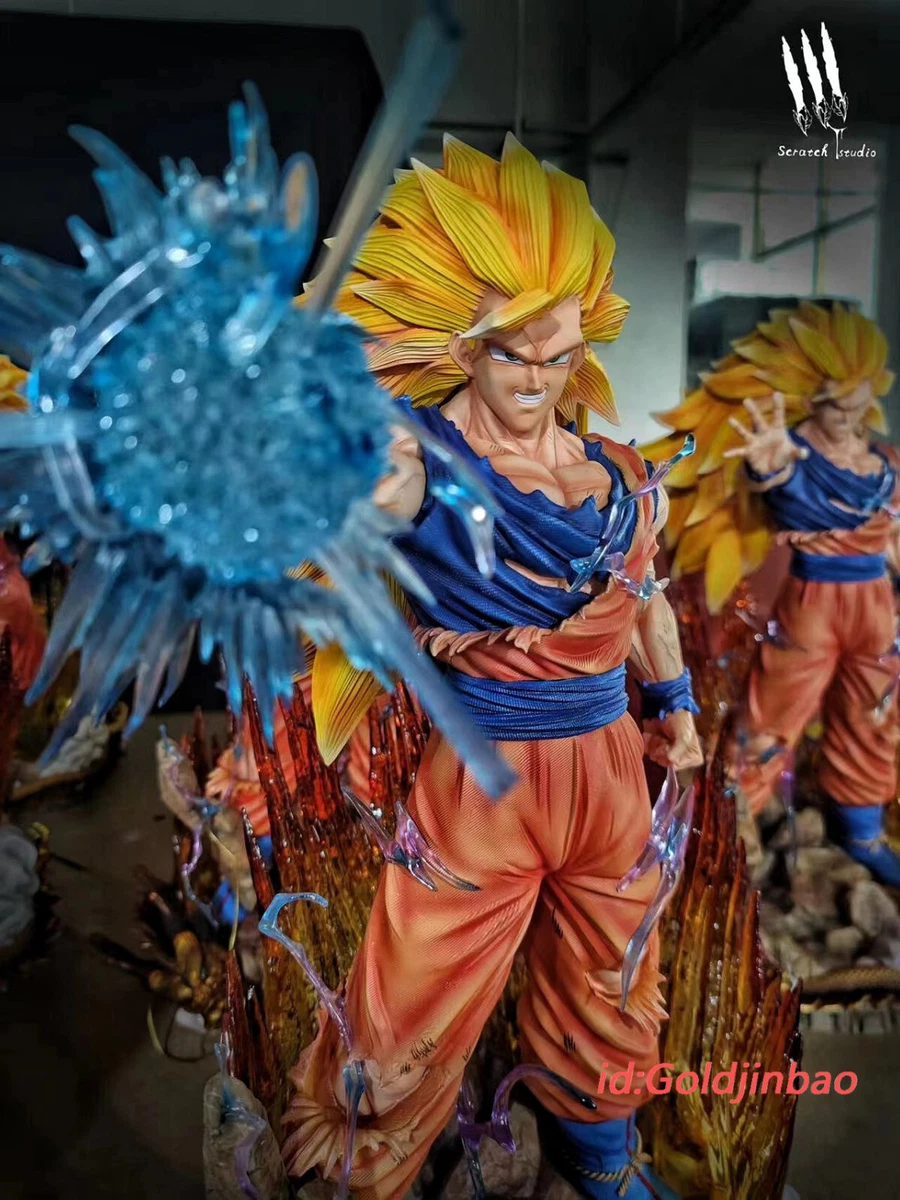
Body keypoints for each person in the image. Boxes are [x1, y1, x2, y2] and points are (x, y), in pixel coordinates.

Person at [283, 134, 703, 1198]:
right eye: (512, 352)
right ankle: (366, 1170)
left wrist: (677, 703)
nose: (537, 378)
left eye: (558, 355)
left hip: (611, 761)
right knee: (411, 997)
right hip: (485, 775)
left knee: (614, 972)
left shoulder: (617, 472)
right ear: (462, 347)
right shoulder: (420, 458)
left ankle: (600, 1156)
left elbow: (645, 597)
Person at [646, 301, 900, 884]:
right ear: (814, 396)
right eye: (837, 402)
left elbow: (890, 535)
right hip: (814, 601)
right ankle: (736, 828)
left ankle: (861, 830)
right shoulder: (790, 451)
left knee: (873, 712)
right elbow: (784, 494)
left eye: (859, 400)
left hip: (875, 604)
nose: (849, 415)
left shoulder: (883, 462)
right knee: (772, 715)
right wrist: (773, 471)